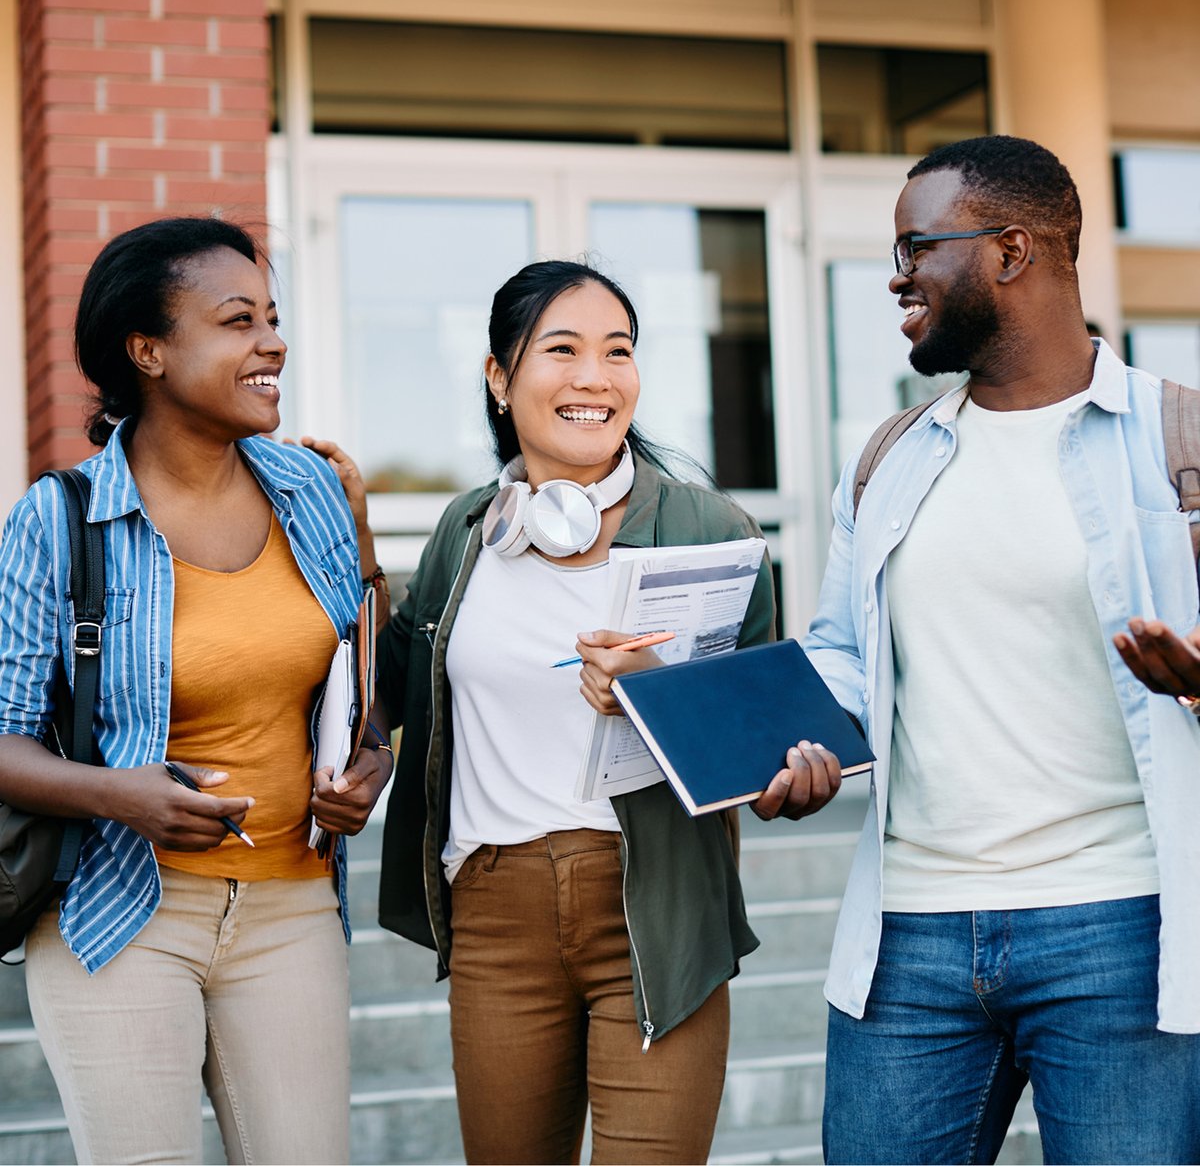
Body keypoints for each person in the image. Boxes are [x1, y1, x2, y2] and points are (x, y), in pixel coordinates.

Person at [308, 259, 840, 1164]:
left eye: (618, 351)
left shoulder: (713, 531)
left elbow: (767, 750)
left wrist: (687, 713)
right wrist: (355, 542)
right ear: (499, 377)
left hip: (655, 915)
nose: (596, 377)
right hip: (494, 913)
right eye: (562, 350)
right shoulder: (465, 532)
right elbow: (388, 688)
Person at [803, 134, 1200, 1165]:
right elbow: (842, 659)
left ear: (1012, 251)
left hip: (1121, 930)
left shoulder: (1180, 443)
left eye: (915, 248)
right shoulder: (890, 459)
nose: (896, 277)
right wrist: (788, 744)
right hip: (909, 937)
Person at [0, 217, 392, 1164]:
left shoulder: (310, 489)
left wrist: (369, 761)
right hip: (120, 911)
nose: (273, 343)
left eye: (273, 318)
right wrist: (117, 795)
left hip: (293, 907)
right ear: (150, 352)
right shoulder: (60, 519)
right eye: (238, 321)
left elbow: (358, 677)